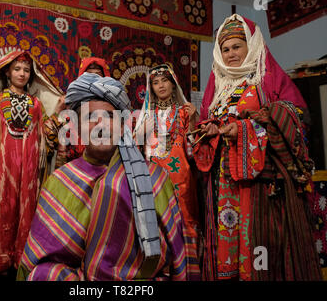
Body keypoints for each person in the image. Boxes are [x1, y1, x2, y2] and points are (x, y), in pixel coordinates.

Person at [17, 72, 200, 281]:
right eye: (90, 118)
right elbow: (41, 260)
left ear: (123, 126)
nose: (101, 125)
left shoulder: (154, 178)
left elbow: (177, 255)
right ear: (77, 127)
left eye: (110, 117)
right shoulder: (60, 181)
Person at [194, 14, 321, 280]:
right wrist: (211, 131)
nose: (231, 54)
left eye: (237, 46)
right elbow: (208, 121)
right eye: (225, 49)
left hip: (262, 183)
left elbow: (297, 119)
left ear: (251, 46)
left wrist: (245, 128)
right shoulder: (218, 87)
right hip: (222, 183)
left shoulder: (266, 79)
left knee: (260, 248)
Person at [0, 49, 65, 280]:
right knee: (2, 209)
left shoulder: (37, 104)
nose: (22, 74)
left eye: (26, 70)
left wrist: (59, 111)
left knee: (26, 211)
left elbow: (45, 138)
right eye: (17, 69)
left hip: (29, 171)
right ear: (8, 73)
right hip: (1, 168)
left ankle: (21, 262)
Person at [134, 64, 200, 264]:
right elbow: (135, 145)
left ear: (173, 84)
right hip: (153, 174)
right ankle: (158, 267)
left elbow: (194, 148)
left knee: (183, 219)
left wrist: (194, 118)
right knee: (156, 218)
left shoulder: (184, 112)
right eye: (155, 82)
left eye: (164, 81)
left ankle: (187, 267)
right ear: (150, 88)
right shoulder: (145, 115)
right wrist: (141, 132)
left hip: (180, 176)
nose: (161, 85)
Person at [55, 56, 111, 168]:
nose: (93, 80)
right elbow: (50, 135)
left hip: (104, 169)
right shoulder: (71, 103)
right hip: (74, 169)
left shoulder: (113, 105)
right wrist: (58, 112)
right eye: (89, 75)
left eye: (98, 75)